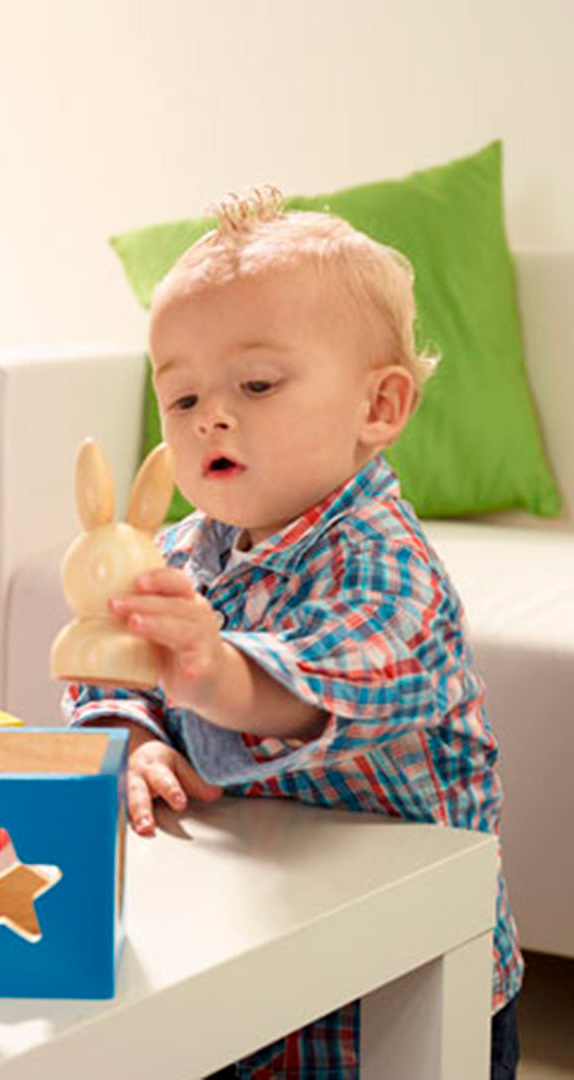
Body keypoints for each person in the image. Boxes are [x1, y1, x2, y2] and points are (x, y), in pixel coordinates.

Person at [63, 187, 521, 1079]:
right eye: (182, 396)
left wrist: (213, 671)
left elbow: (326, 680)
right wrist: (130, 732)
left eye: (258, 385)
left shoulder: (390, 567)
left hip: (401, 991)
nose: (210, 416)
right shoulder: (181, 552)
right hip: (248, 957)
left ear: (379, 406)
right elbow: (111, 663)